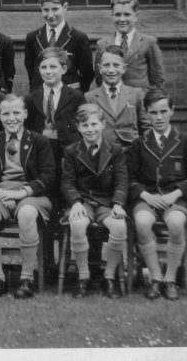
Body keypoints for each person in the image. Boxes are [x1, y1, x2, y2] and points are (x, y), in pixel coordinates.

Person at [126, 89, 187, 301]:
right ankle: (156, 278)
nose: (159, 117)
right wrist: (145, 196)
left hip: (176, 199)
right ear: (146, 114)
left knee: (176, 223)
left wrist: (174, 195)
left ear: (172, 111)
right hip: (147, 198)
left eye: (163, 111)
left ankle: (170, 279)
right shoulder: (139, 144)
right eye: (153, 113)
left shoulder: (186, 142)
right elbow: (129, 178)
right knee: (142, 222)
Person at [0, 94, 56, 299]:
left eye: (16, 113)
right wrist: (1, 195)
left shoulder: (39, 141)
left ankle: (26, 279)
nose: (11, 118)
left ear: (25, 114)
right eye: (6, 114)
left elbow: (48, 177)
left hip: (31, 194)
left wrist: (20, 193)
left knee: (27, 214)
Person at [61, 104, 128, 299]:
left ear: (103, 124)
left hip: (107, 201)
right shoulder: (72, 151)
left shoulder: (115, 150)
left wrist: (118, 203)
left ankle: (109, 277)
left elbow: (122, 180)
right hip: (83, 201)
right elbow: (67, 181)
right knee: (77, 223)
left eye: (94, 124)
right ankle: (83, 276)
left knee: (119, 227)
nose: (90, 129)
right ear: (78, 127)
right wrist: (75, 202)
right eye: (85, 125)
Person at [24, 47, 85, 188]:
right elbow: (28, 128)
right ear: (39, 70)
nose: (48, 71)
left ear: (64, 69)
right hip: (41, 151)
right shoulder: (31, 98)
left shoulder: (76, 96)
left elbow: (82, 125)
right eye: (44, 67)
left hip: (66, 150)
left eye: (53, 67)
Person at [24, 0, 94, 92]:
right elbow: (31, 70)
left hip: (68, 96)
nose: (50, 15)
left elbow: (87, 73)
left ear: (65, 7)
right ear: (41, 8)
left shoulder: (78, 37)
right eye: (46, 10)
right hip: (41, 95)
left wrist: (76, 94)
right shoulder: (32, 38)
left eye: (55, 9)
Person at [85, 45, 149, 150]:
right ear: (99, 69)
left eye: (116, 65)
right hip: (102, 153)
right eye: (106, 65)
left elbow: (147, 128)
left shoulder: (136, 94)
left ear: (124, 68)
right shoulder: (90, 97)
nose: (111, 70)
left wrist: (141, 151)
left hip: (131, 153)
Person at [95, 0, 165, 90]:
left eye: (127, 14)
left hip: (140, 98)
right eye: (117, 15)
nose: (122, 19)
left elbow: (158, 79)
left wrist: (148, 97)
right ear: (112, 16)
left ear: (136, 16)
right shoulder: (102, 44)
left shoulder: (148, 42)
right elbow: (99, 80)